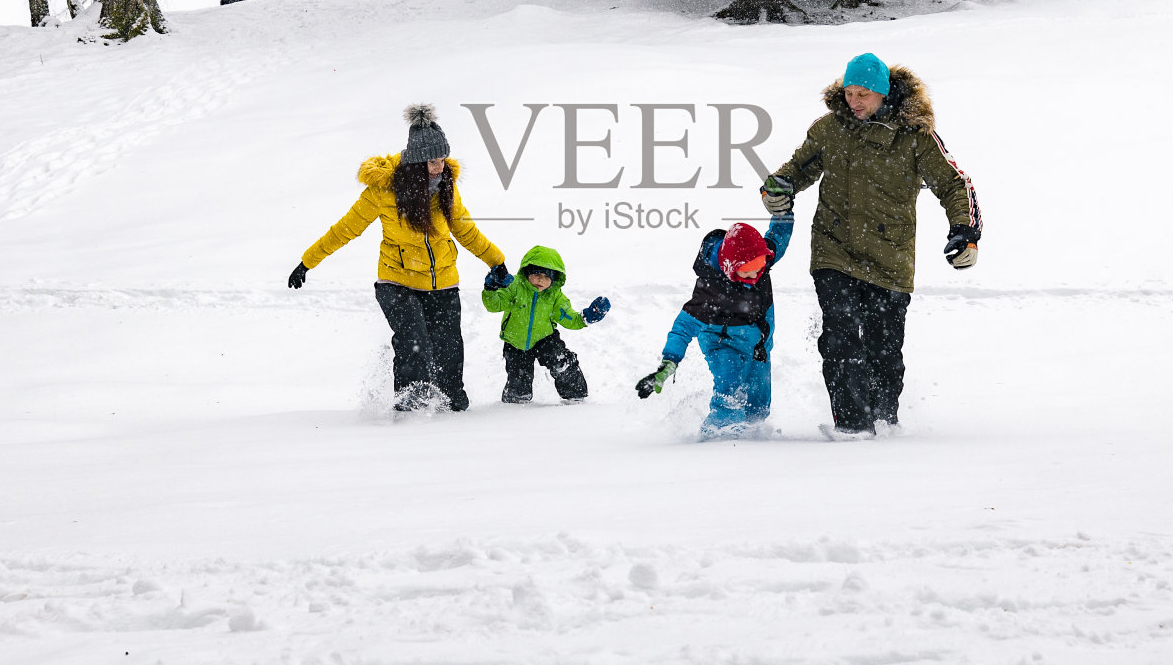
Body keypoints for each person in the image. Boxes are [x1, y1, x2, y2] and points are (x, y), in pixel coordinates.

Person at [761, 53, 980, 437]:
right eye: (849, 92)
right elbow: (794, 171)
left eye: (864, 93)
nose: (854, 101)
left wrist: (964, 231)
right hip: (834, 250)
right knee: (839, 337)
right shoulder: (830, 129)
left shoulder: (915, 134)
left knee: (884, 350)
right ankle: (852, 427)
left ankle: (883, 421)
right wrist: (775, 190)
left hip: (889, 256)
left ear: (883, 94)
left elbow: (953, 183)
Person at [287, 104, 506, 412]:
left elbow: (465, 229)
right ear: (417, 162)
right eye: (433, 160)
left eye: (443, 158)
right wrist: (307, 262)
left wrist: (497, 261)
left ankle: (450, 405)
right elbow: (345, 229)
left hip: (442, 281)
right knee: (415, 343)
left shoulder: (446, 186)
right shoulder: (384, 190)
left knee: (448, 350)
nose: (439, 166)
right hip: (397, 281)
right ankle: (409, 405)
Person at [635, 211, 794, 439]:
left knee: (758, 406)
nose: (756, 275)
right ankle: (718, 437)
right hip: (721, 341)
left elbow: (779, 235)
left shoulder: (761, 259)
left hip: (757, 344)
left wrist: (783, 210)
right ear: (731, 267)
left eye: (760, 266)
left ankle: (754, 439)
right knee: (730, 387)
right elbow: (682, 328)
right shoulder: (711, 290)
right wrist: (668, 364)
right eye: (748, 270)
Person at [481, 245, 610, 404]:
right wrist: (490, 289)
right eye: (536, 274)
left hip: (545, 338)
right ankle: (515, 403)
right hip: (515, 342)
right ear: (527, 272)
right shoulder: (514, 287)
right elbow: (493, 305)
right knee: (518, 377)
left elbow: (568, 317)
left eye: (546, 276)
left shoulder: (554, 296)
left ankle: (575, 395)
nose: (541, 279)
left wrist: (586, 318)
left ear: (554, 278)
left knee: (560, 360)